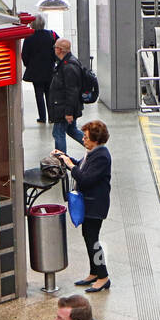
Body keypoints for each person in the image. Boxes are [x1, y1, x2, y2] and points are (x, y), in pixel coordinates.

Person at [55, 120, 112, 293]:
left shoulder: (101, 155)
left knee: (93, 240)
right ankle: (94, 272)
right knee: (88, 237)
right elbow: (80, 166)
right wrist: (64, 157)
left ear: (95, 139)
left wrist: (71, 166)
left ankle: (103, 276)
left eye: (86, 137)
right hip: (89, 203)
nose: (83, 139)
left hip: (95, 205)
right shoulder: (92, 152)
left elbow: (85, 178)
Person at [48, 38, 86, 153]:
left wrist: (69, 112)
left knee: (58, 133)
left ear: (59, 50)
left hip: (64, 107)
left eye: (55, 47)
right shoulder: (67, 62)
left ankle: (61, 162)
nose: (54, 49)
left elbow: (72, 91)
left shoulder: (68, 67)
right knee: (71, 130)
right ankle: (94, 146)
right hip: (65, 106)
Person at [21, 13, 57, 123]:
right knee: (50, 93)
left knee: (38, 94)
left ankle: (42, 117)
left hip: (35, 71)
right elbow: (58, 48)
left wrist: (29, 64)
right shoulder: (51, 34)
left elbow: (24, 55)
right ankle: (52, 117)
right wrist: (53, 61)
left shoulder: (29, 37)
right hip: (49, 70)